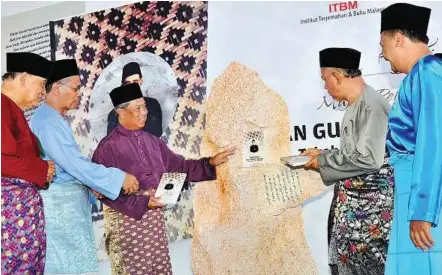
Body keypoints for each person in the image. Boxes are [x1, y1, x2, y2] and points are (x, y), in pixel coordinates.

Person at [92, 83, 236, 275]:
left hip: (154, 222)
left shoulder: (153, 142)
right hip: (126, 227)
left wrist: (210, 163)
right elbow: (100, 190)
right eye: (137, 108)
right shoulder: (107, 148)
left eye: (144, 107)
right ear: (120, 112)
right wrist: (142, 202)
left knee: (159, 269)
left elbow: (181, 167)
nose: (144, 112)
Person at [30, 59, 140, 275]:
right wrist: (118, 178)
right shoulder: (48, 122)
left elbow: (70, 165)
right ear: (55, 88)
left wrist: (92, 186)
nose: (78, 93)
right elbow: (74, 165)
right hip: (61, 212)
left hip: (67, 208)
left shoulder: (51, 119)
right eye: (75, 88)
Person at [301, 48, 394, 275]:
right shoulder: (357, 104)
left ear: (338, 76)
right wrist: (321, 154)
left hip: (369, 224)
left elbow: (368, 160)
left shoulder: (371, 105)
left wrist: (322, 160)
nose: (325, 86)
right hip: (354, 222)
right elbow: (356, 154)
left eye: (325, 80)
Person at [379, 3, 442, 274]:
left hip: (419, 193)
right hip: (410, 188)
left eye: (383, 46)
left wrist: (422, 212)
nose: (383, 55)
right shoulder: (423, 73)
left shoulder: (428, 71)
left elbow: (433, 142)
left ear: (398, 38)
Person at [1, 52, 54, 274]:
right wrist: (43, 169)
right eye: (41, 85)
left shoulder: (12, 109)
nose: (43, 94)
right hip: (12, 212)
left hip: (22, 211)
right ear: (23, 79)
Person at [107, 62, 163, 136]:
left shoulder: (153, 104)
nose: (132, 86)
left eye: (135, 81)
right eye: (128, 83)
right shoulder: (114, 114)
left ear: (141, 81)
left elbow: (156, 135)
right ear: (123, 84)